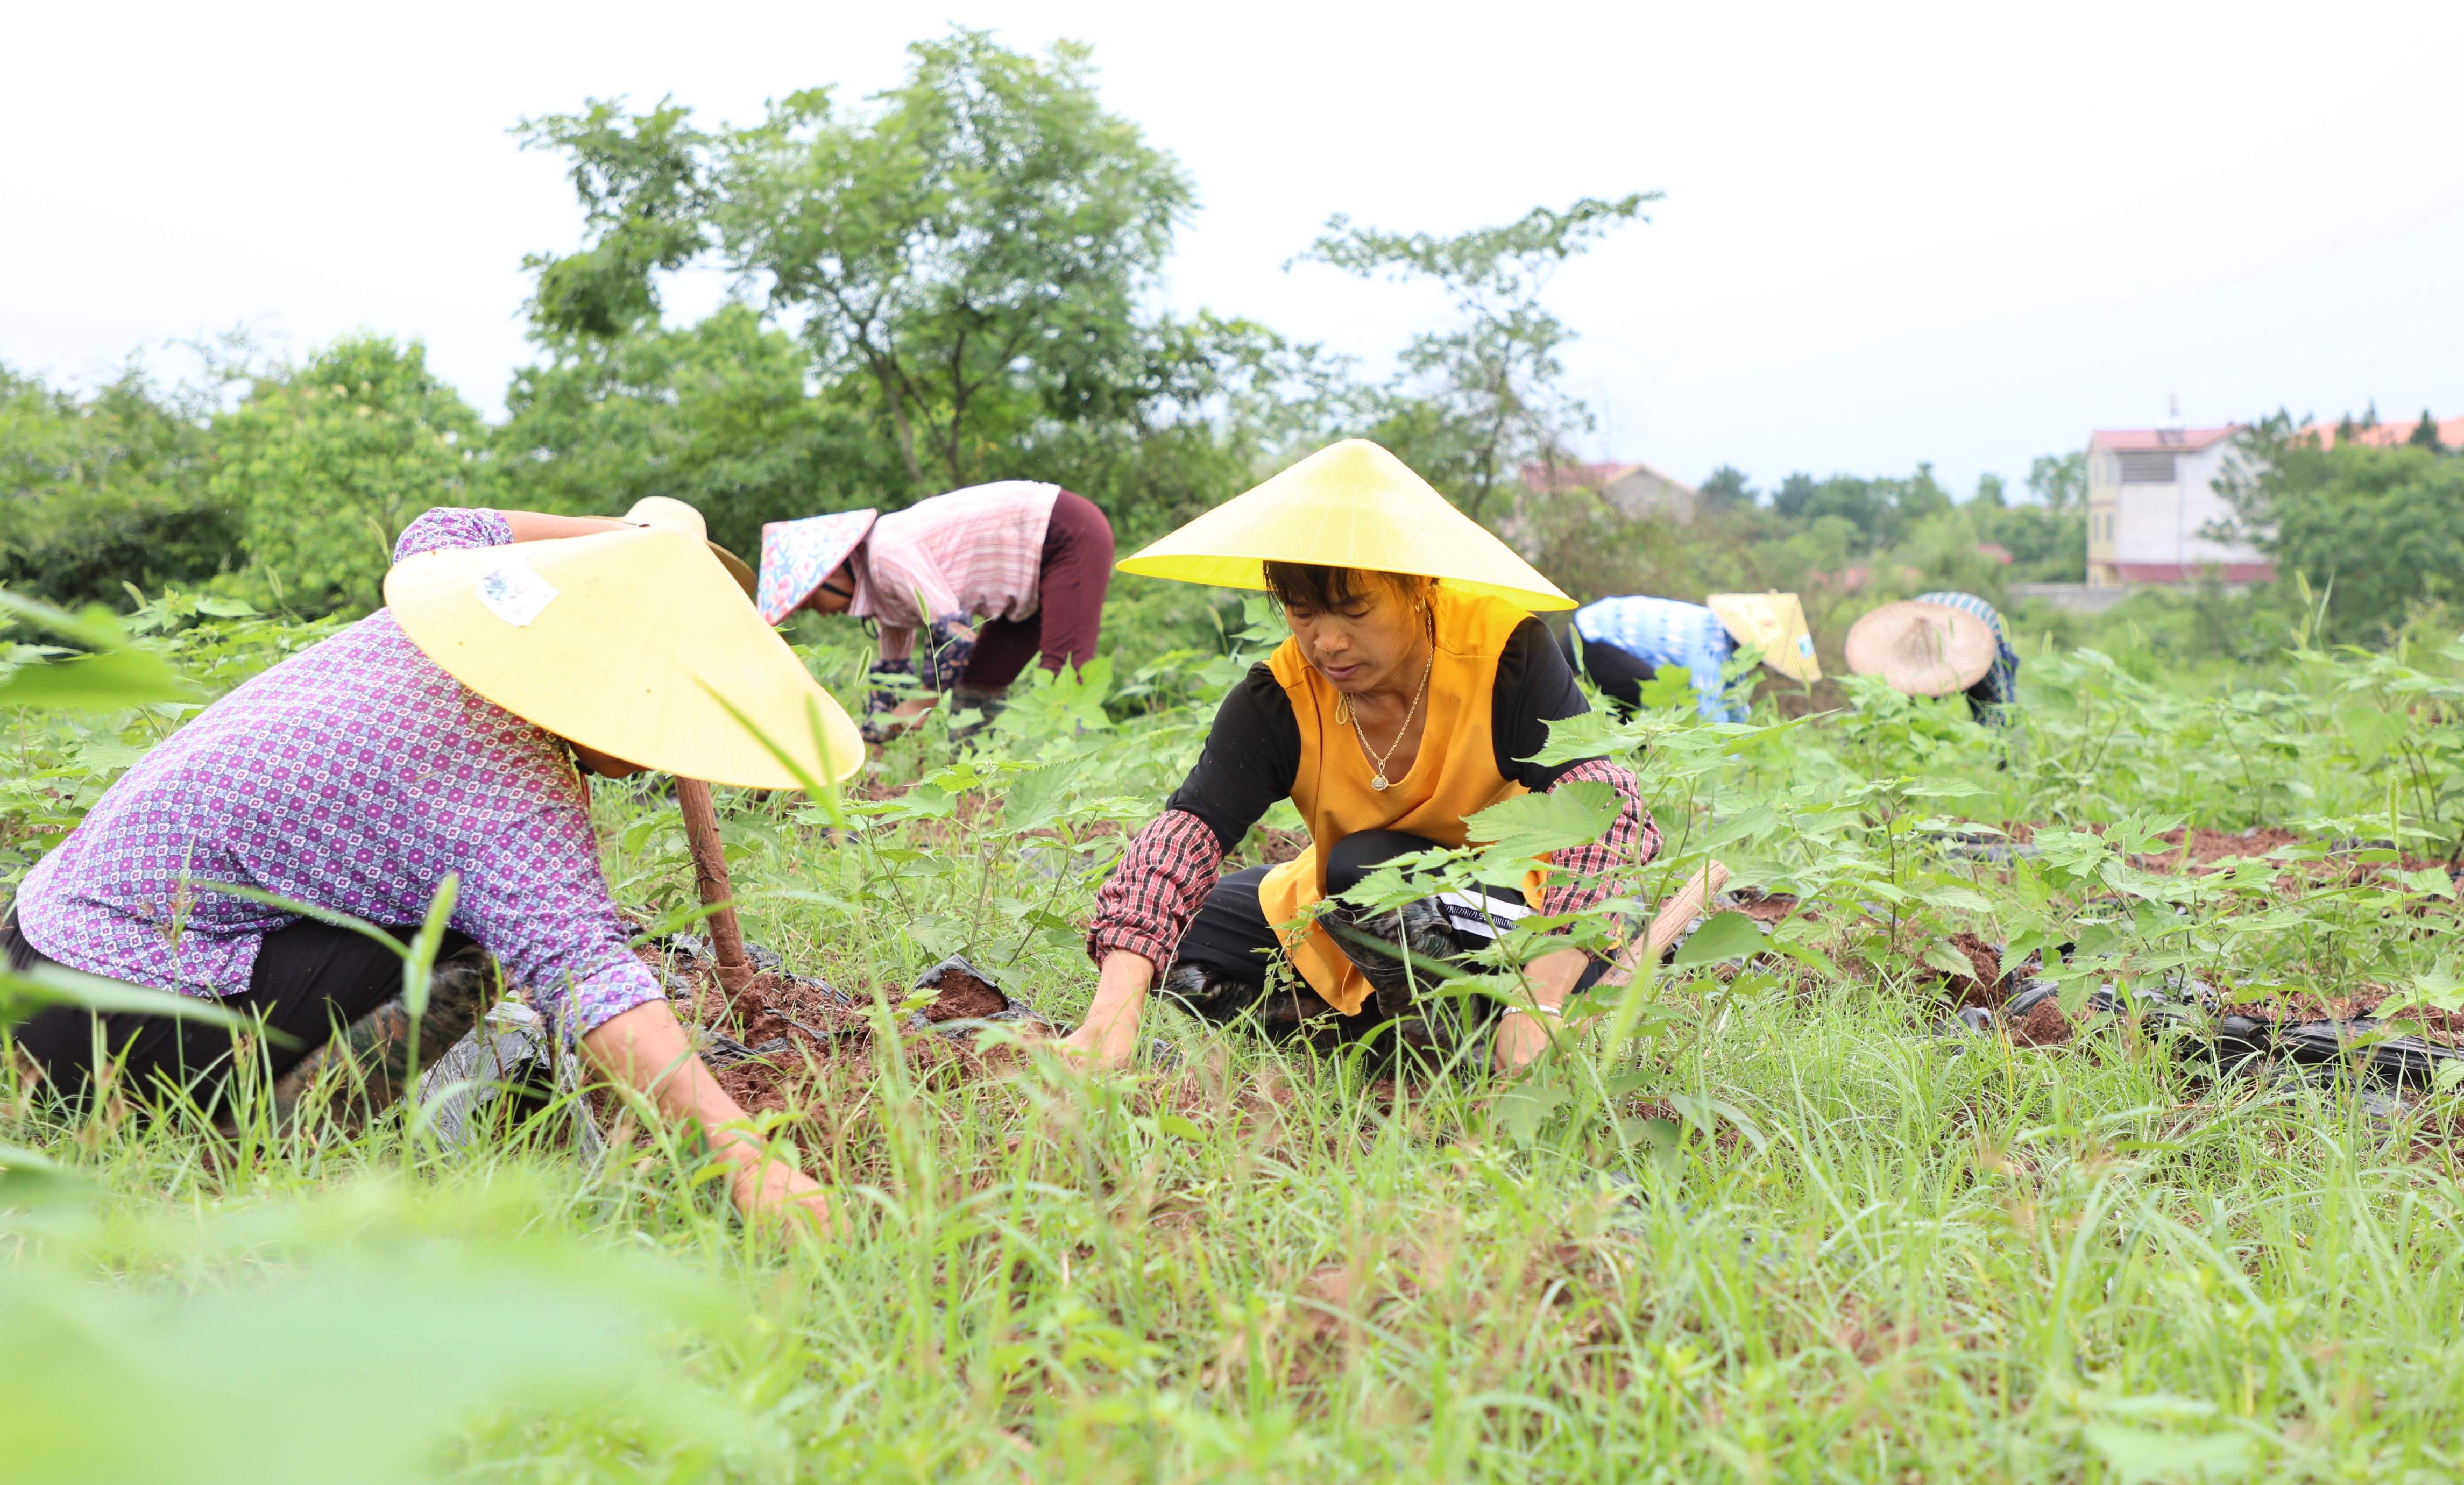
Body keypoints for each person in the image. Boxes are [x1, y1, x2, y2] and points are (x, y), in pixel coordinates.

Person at [0, 498, 864, 1229]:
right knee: (460, 959)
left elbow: (447, 523)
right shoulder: (504, 788)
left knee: (433, 918)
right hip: (99, 1021)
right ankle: (261, 1151)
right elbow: (591, 976)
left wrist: (633, 543)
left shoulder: (464, 612)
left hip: (35, 945)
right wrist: (749, 1162)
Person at [1058, 440, 1663, 1076]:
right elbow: (1187, 832)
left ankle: (1462, 1047)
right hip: (1363, 905)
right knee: (1179, 935)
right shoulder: (1280, 698)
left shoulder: (1507, 654)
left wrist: (1538, 1001)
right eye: (1303, 613)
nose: (1329, 642)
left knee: (1361, 866)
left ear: (1418, 587)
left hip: (1523, 913)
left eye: (1356, 609)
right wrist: (1110, 1018)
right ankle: (1381, 1036)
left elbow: (1607, 808)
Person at [758, 481, 1115, 738]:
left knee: (1065, 678)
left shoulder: (886, 554)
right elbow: (891, 673)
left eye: (809, 602)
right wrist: (872, 745)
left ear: (831, 572)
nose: (816, 612)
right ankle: (977, 787)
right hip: (1026, 573)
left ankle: (1060, 807)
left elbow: (957, 637)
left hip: (1064, 531)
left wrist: (921, 704)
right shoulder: (880, 591)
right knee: (981, 679)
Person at [1569, 591, 1819, 720]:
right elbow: (1711, 710)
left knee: (1650, 700)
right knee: (1651, 696)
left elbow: (1735, 702)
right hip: (1593, 635)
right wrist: (1731, 768)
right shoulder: (1710, 648)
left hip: (1603, 632)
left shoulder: (1730, 648)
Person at [1843, 589, 2021, 720]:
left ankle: (2011, 766)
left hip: (1975, 636)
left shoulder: (1980, 651)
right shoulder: (1904, 641)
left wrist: (1988, 761)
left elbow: (1996, 708)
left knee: (2000, 708)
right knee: (1906, 709)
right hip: (1918, 624)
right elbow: (1863, 711)